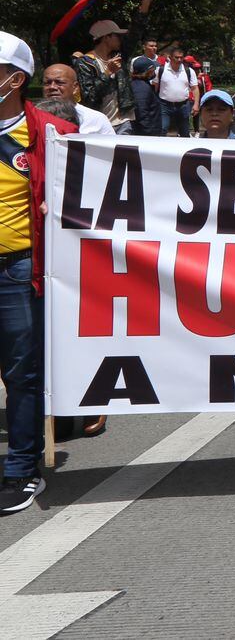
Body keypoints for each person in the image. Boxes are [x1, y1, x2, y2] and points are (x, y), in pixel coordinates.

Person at [0, 31, 79, 513]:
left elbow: (92, 201)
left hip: (19, 270)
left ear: (13, 79)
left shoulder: (54, 135)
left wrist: (62, 208)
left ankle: (21, 469)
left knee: (22, 374)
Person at [72, 18, 135, 130]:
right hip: (100, 124)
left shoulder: (119, 57)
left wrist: (145, 6)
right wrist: (107, 73)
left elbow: (135, 34)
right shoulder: (85, 62)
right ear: (106, 37)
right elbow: (89, 97)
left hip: (123, 122)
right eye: (117, 36)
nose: (121, 39)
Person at [41, 63, 114, 135]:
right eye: (47, 83)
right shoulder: (33, 117)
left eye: (59, 82)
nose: (52, 87)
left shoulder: (96, 119)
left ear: (75, 87)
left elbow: (111, 145)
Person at [155, 50, 198, 136]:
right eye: (176, 57)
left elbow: (195, 88)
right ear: (170, 58)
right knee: (163, 129)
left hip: (183, 105)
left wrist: (196, 104)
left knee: (184, 132)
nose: (179, 60)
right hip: (164, 105)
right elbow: (155, 87)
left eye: (181, 57)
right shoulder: (160, 70)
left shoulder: (189, 71)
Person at [127, 55, 163, 136]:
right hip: (147, 134)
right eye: (153, 70)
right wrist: (149, 134)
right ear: (148, 71)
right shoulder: (141, 87)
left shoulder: (142, 84)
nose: (154, 72)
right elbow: (141, 112)